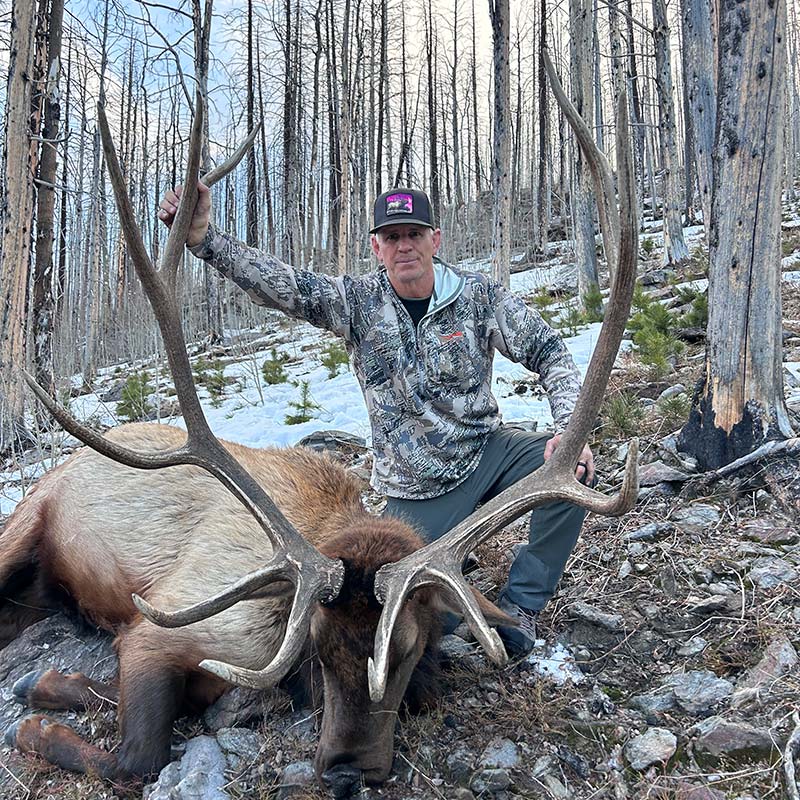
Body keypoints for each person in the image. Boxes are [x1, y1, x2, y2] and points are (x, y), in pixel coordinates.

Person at [158, 185, 595, 655]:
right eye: (392, 237)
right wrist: (205, 239)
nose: (404, 246)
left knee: (568, 470)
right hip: (415, 487)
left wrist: (569, 431)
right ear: (376, 247)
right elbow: (284, 286)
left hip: (487, 450)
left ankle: (522, 604)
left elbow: (550, 351)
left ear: (435, 240)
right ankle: (455, 563)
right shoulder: (357, 302)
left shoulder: (478, 296)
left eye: (414, 234)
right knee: (420, 618)